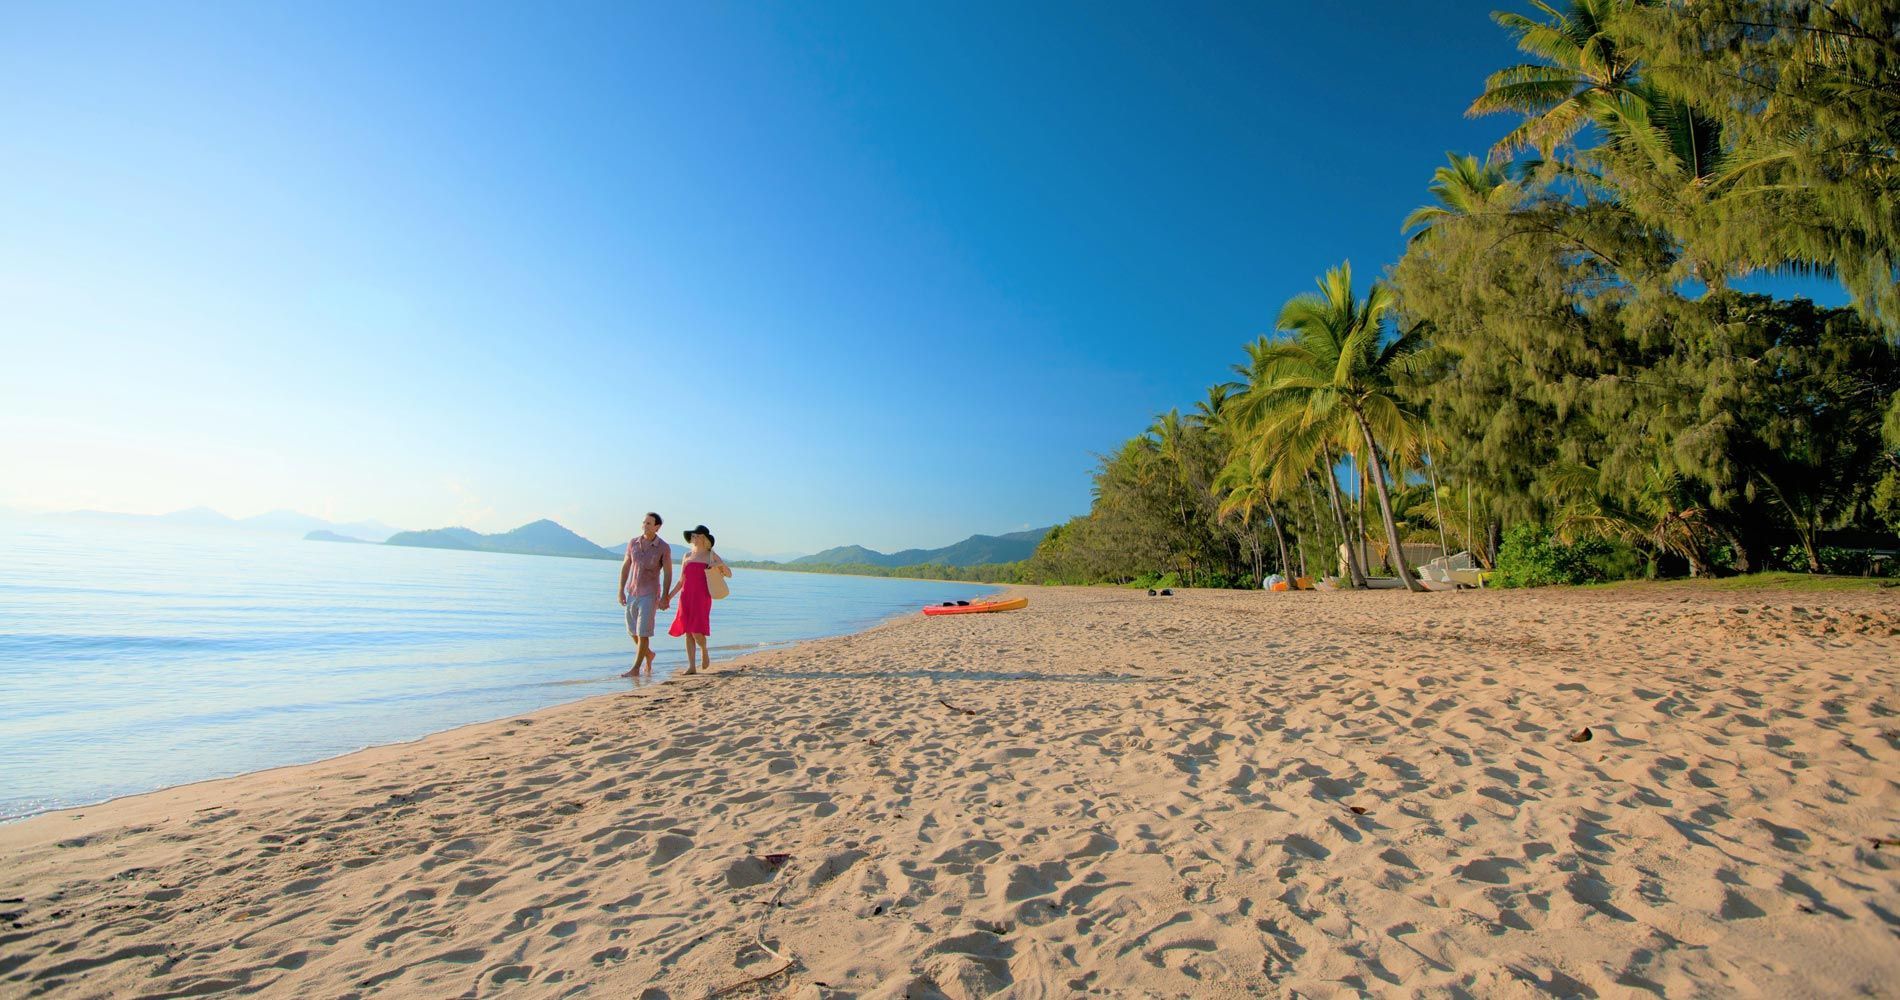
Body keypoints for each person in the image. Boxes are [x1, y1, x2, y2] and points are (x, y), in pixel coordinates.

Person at [665, 524, 731, 675]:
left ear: (704, 538)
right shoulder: (687, 556)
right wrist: (669, 597)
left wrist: (719, 564)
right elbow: (681, 580)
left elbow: (728, 574)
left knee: (696, 630)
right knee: (688, 631)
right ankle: (691, 666)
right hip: (685, 596)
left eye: (697, 535)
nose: (693, 538)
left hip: (702, 597)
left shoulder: (710, 555)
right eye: (693, 536)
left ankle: (704, 649)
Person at [617, 512, 673, 677]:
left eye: (649, 523)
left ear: (657, 527)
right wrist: (620, 590)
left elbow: (668, 573)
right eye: (644, 523)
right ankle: (648, 654)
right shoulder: (633, 543)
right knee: (632, 631)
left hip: (650, 594)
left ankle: (635, 669)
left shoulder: (663, 547)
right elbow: (626, 566)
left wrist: (665, 596)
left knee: (643, 632)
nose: (645, 526)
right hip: (632, 592)